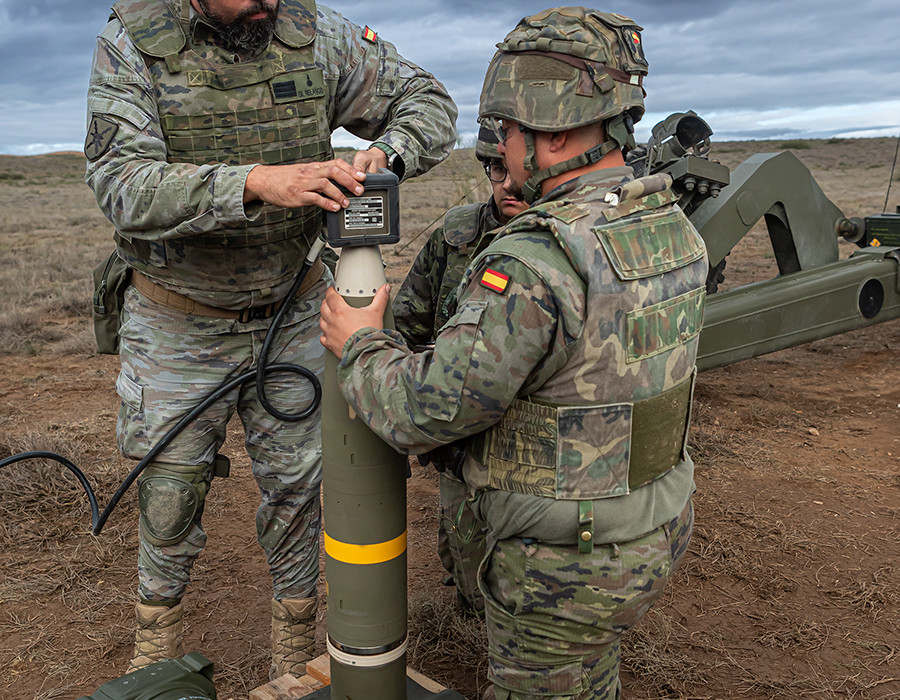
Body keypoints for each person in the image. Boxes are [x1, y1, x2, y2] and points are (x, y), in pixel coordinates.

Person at [319, 7, 707, 698]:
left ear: (548, 133)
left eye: (515, 133)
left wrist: (360, 346)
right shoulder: (663, 222)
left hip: (564, 566)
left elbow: (423, 410)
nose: (508, 153)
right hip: (651, 522)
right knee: (588, 676)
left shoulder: (536, 260)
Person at [83, 0, 457, 678]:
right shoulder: (135, 43)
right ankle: (154, 659)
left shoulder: (314, 35)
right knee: (169, 493)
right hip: (178, 316)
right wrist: (257, 184)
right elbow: (122, 185)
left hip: (292, 312)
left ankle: (293, 656)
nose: (267, 4)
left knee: (299, 488)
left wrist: (386, 154)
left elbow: (426, 100)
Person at [392, 124, 527, 616]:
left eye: (517, 170)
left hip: (531, 444)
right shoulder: (456, 237)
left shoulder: (566, 243)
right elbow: (408, 321)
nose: (508, 185)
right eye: (497, 170)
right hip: (461, 435)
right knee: (465, 563)